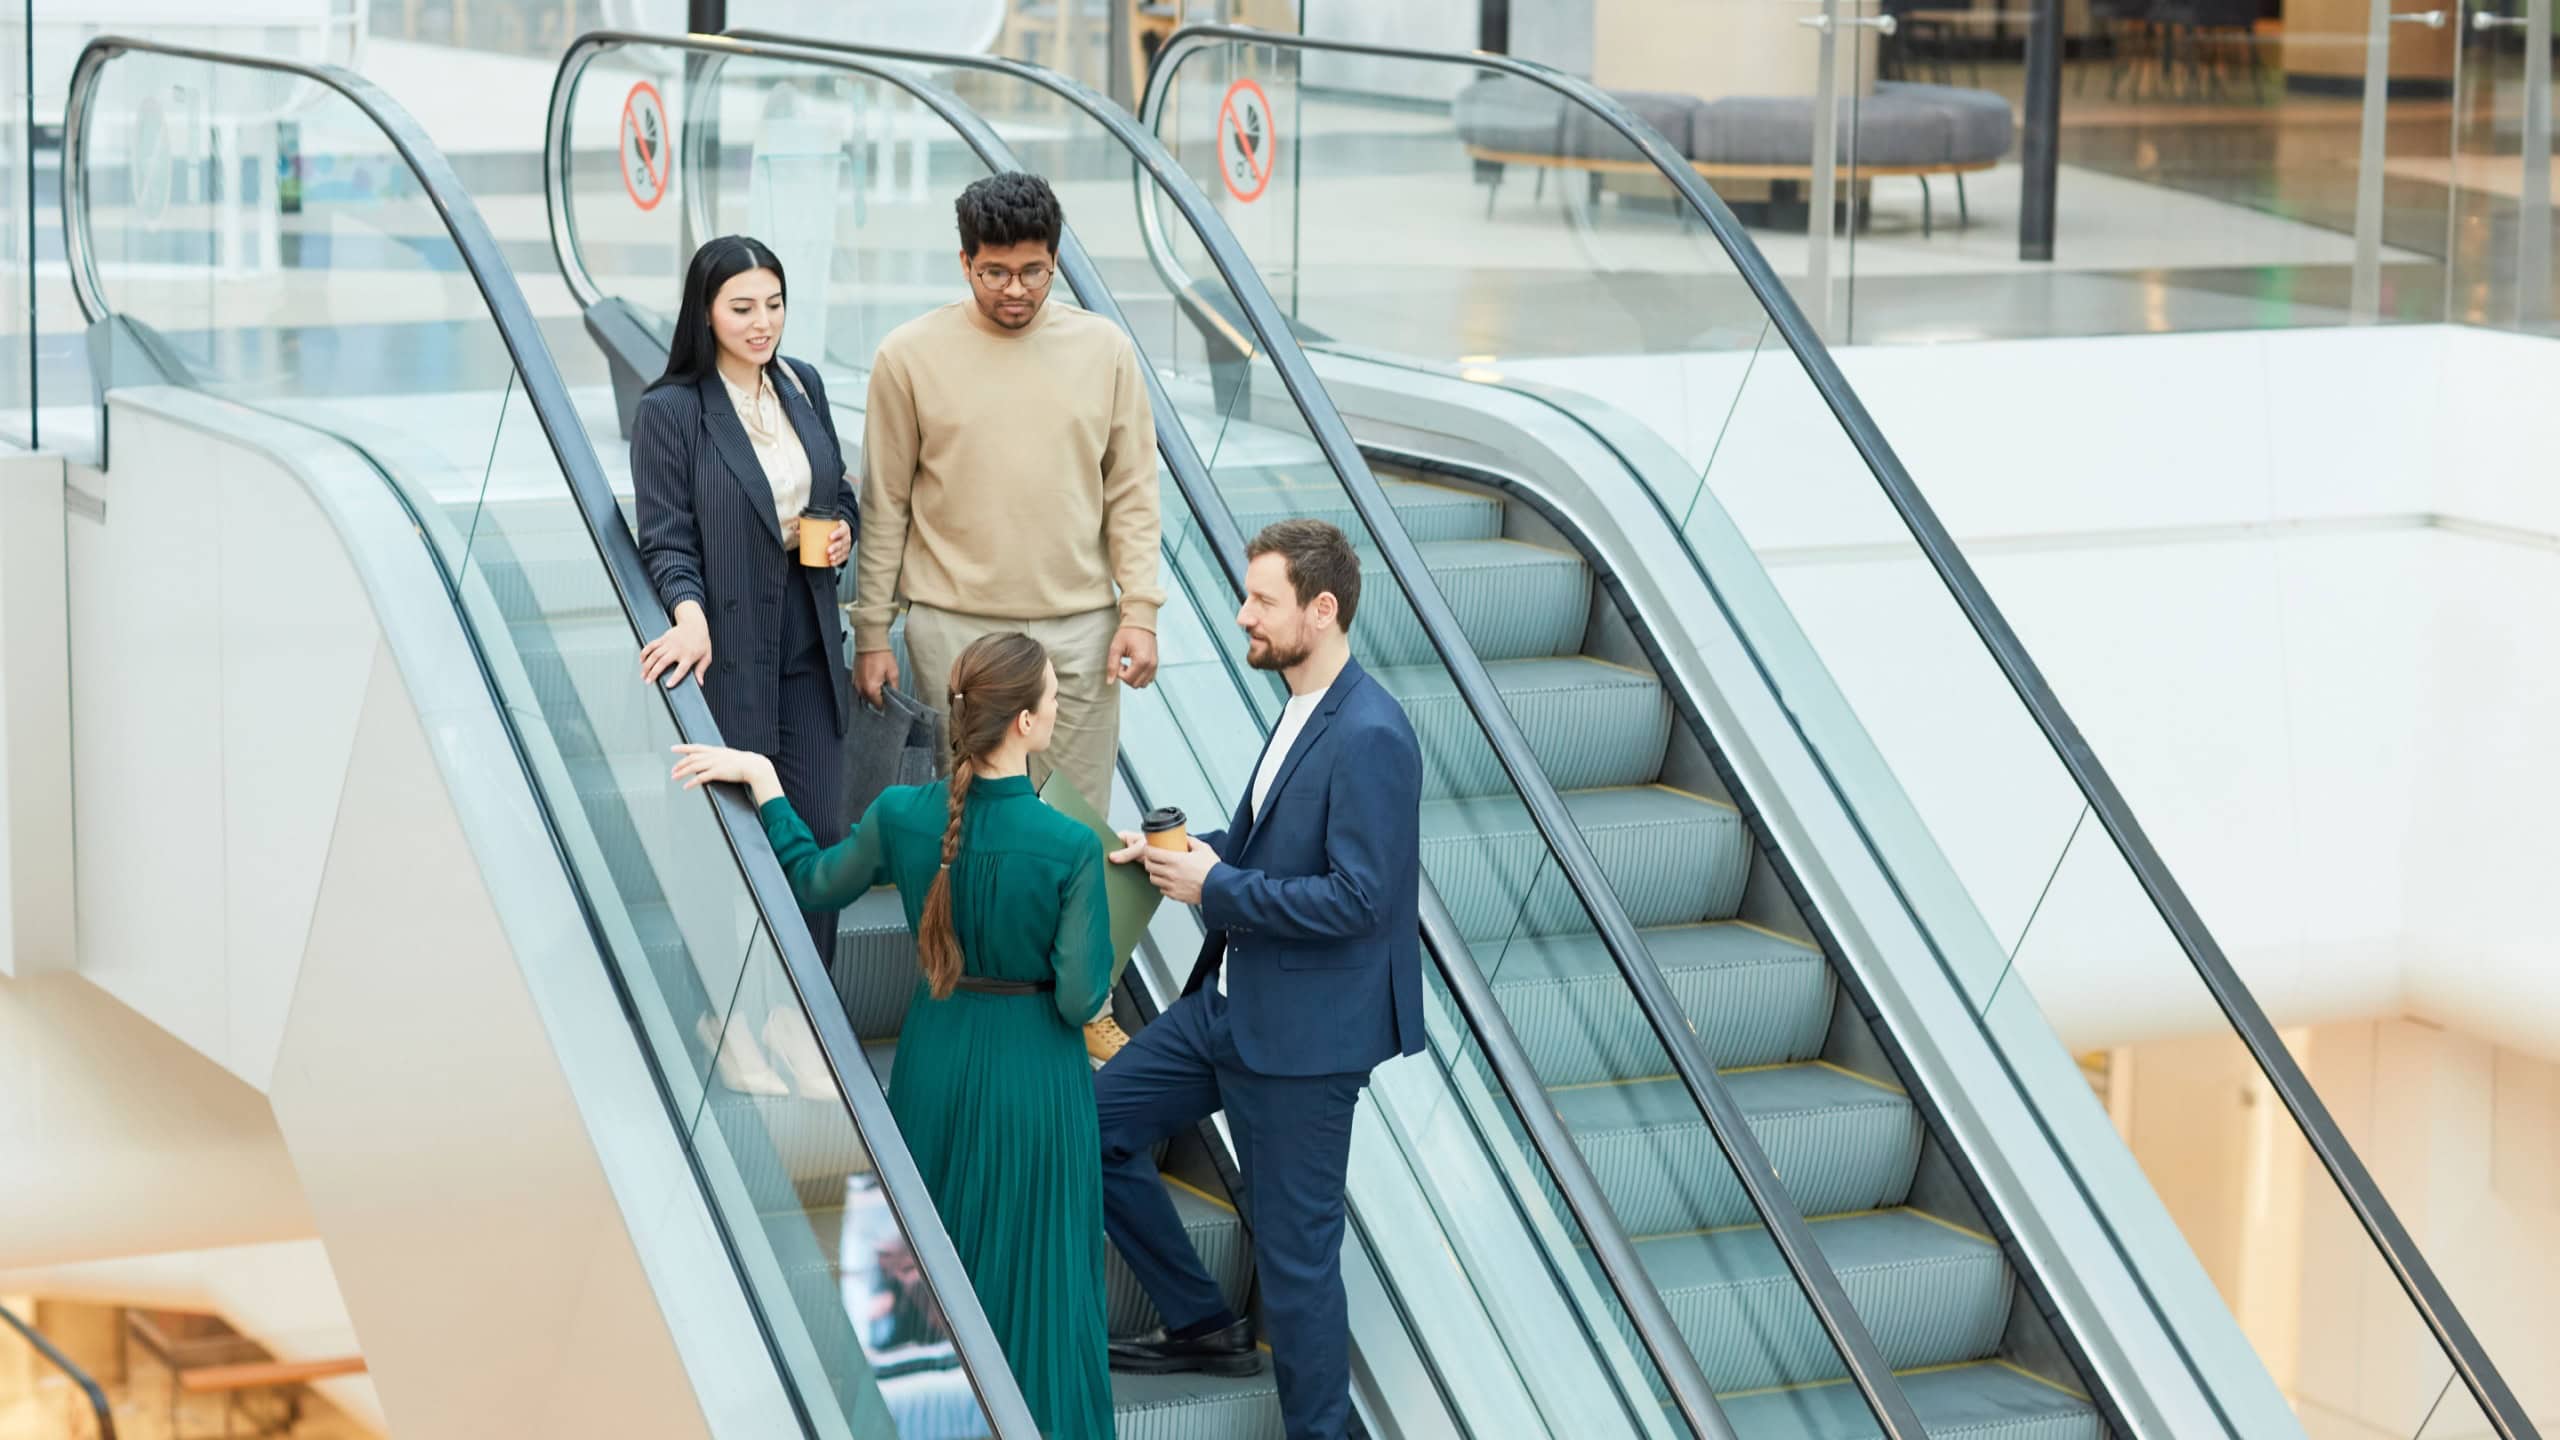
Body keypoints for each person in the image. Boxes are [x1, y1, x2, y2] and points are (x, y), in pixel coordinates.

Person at [672, 632, 1116, 1440]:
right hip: (1036, 1090)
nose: (1058, 706)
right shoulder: (1073, 846)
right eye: (1052, 696)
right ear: (1021, 722)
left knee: (922, 1286)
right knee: (1040, 1286)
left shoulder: (904, 815)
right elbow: (1081, 997)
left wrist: (767, 782)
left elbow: (813, 880)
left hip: (934, 1069)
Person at [1098, 520, 1425, 1440]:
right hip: (1226, 1012)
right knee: (1093, 1128)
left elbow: (1360, 900)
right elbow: (1266, 849)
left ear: (1321, 611)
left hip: (1305, 1049)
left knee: (1297, 1268)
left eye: (1262, 601)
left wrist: (1220, 885)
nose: (1242, 614)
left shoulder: (1370, 735)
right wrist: (1183, 855)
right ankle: (1202, 1322)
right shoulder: (1299, 707)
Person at [850, 171, 1163, 1065]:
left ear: (1056, 260)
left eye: (1033, 270)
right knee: (970, 827)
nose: (1015, 289)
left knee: (1082, 829)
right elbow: (887, 503)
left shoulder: (1104, 351)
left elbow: (1133, 495)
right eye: (994, 272)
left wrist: (1138, 610)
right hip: (956, 630)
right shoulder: (908, 356)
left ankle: (1087, 1003)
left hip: (1080, 630)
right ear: (963, 261)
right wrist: (873, 628)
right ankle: (969, 994)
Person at [632, 235, 856, 1094]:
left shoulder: (802, 384)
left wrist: (839, 531)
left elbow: (836, 497)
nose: (761, 324)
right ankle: (718, 1014)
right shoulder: (673, 411)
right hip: (723, 653)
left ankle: (797, 1015)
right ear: (705, 314)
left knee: (826, 834)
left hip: (806, 646)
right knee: (721, 848)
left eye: (773, 304)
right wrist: (687, 613)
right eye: (741, 308)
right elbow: (666, 535)